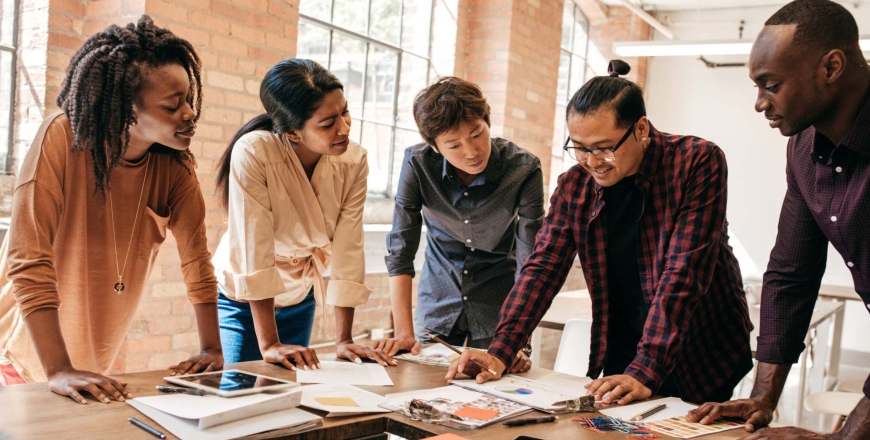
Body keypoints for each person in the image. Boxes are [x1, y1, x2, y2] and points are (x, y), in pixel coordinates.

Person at [448, 61, 753, 406]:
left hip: (699, 345)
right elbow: (542, 269)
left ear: (640, 129)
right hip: (625, 346)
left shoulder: (697, 162)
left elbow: (684, 274)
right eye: (579, 147)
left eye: (604, 147)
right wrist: (501, 350)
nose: (592, 162)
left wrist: (647, 368)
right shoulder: (575, 186)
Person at [0, 16, 223, 402]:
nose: (190, 113)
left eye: (189, 99)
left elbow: (197, 261)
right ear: (129, 111)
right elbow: (28, 260)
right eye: (174, 105)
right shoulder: (62, 138)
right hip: (22, 353)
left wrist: (212, 348)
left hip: (89, 358)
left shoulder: (174, 167)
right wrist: (58, 369)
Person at [687, 1, 870, 438]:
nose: (759, 103)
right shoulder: (804, 149)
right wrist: (763, 395)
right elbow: (791, 273)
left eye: (771, 85)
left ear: (831, 66)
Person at [213, 59, 392, 370]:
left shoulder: (354, 160)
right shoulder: (255, 152)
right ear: (293, 132)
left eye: (344, 112)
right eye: (327, 123)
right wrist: (269, 344)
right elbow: (254, 248)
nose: (344, 128)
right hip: (242, 299)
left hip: (299, 294)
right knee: (241, 389)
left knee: (290, 391)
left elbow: (349, 246)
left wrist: (344, 340)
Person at [374, 77, 543, 373]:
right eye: (453, 144)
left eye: (477, 134)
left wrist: (518, 339)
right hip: (438, 301)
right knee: (420, 387)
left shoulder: (524, 168)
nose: (471, 151)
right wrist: (403, 332)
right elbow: (400, 250)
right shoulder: (417, 164)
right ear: (435, 146)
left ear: (487, 122)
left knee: (491, 396)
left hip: (500, 309)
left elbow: (531, 262)